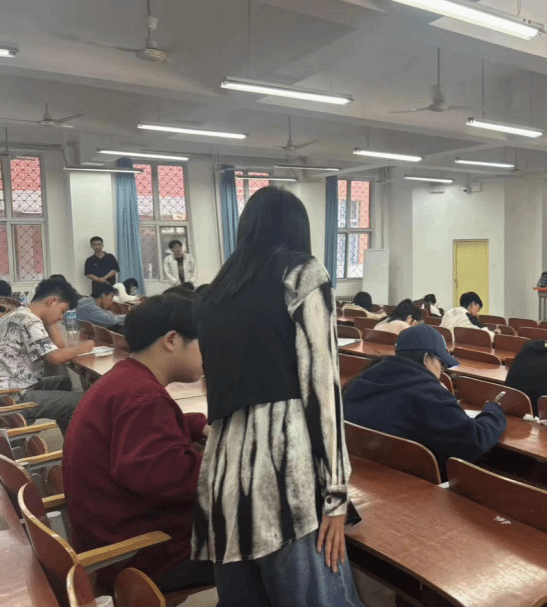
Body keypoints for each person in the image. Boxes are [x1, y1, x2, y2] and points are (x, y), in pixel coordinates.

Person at [193, 187, 361, 606]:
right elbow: (323, 392)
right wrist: (336, 497)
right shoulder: (303, 274)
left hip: (224, 484)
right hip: (286, 484)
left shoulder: (214, 293)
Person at [63, 295, 214, 591]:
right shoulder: (143, 398)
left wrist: (197, 425)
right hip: (141, 554)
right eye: (203, 342)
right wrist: (232, 461)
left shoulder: (125, 380)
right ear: (172, 340)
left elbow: (144, 435)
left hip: (109, 535)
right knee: (263, 539)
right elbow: (170, 477)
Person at [344, 324, 506, 475]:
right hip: (414, 483)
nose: (441, 371)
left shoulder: (364, 378)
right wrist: (493, 410)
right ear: (426, 359)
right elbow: (475, 440)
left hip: (363, 471)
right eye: (441, 363)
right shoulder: (428, 393)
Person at [0, 277, 93, 432]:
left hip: (11, 388)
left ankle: (67, 433)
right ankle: (73, 446)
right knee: (83, 401)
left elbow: (57, 347)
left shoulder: (16, 314)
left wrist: (50, 321)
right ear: (52, 301)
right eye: (62, 311)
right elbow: (54, 357)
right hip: (13, 398)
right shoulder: (30, 321)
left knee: (65, 383)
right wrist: (83, 348)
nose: (61, 317)